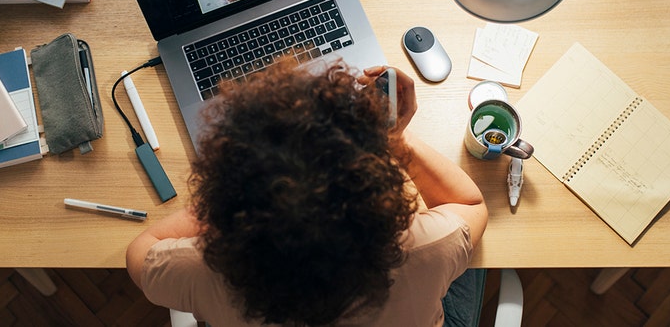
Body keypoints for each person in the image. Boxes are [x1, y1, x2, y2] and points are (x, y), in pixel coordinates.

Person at [126, 59, 489, 326]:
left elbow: (140, 252)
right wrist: (394, 139)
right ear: (377, 196)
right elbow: (469, 203)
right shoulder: (426, 248)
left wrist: (225, 198)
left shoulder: (202, 271)